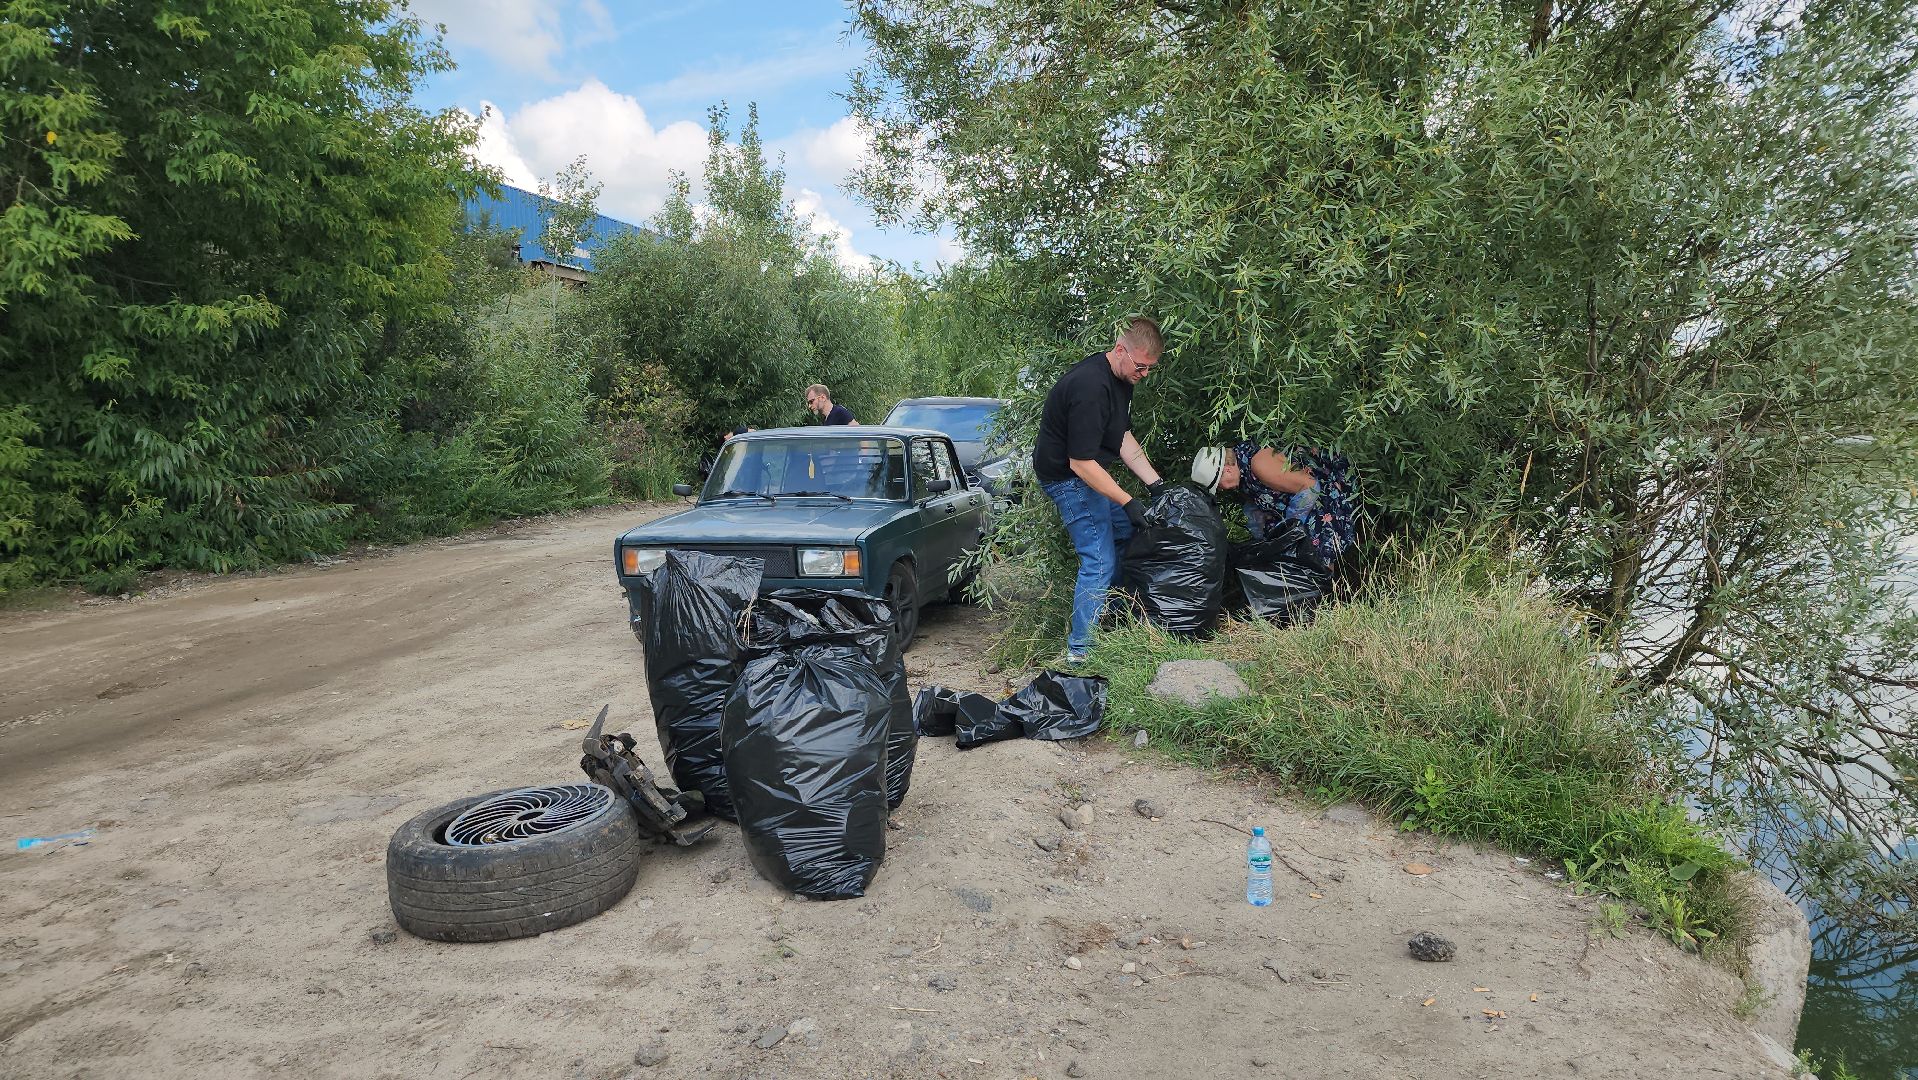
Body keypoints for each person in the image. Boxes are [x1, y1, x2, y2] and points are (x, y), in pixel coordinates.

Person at [1032, 317, 1168, 663]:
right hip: (1068, 479)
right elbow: (1080, 463)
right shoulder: (1090, 387)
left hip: (1090, 472)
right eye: (1141, 367)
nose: (1145, 374)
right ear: (1120, 351)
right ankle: (1081, 653)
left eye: (1150, 369)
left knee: (1123, 536)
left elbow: (1121, 436)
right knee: (1099, 559)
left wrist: (1155, 485)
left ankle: (1119, 622)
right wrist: (1126, 499)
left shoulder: (1123, 379)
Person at [1191, 442, 1357, 562]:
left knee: (1315, 550)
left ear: (1226, 470)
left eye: (1218, 485)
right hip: (1295, 507)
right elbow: (1258, 506)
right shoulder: (1242, 477)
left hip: (1320, 496)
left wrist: (1289, 531)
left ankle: (1325, 597)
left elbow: (1310, 486)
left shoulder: (1259, 464)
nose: (1221, 490)